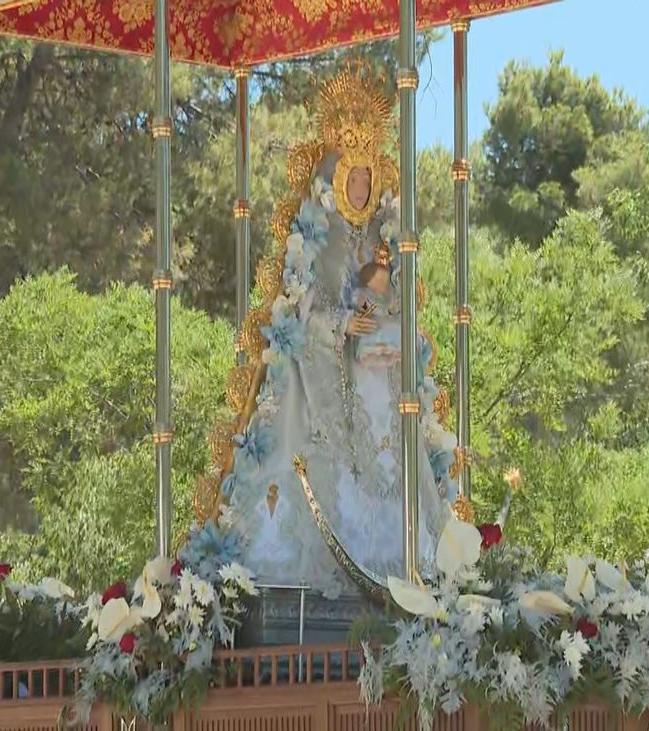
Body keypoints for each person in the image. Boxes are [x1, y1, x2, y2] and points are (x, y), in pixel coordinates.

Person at [214, 67, 459, 598]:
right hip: (326, 385)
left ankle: (412, 570)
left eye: (369, 180)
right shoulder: (317, 237)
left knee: (399, 458)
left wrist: (387, 331)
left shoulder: (382, 234)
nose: (363, 188)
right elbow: (300, 317)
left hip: (380, 381)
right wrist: (343, 324)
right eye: (356, 179)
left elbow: (395, 301)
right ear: (339, 180)